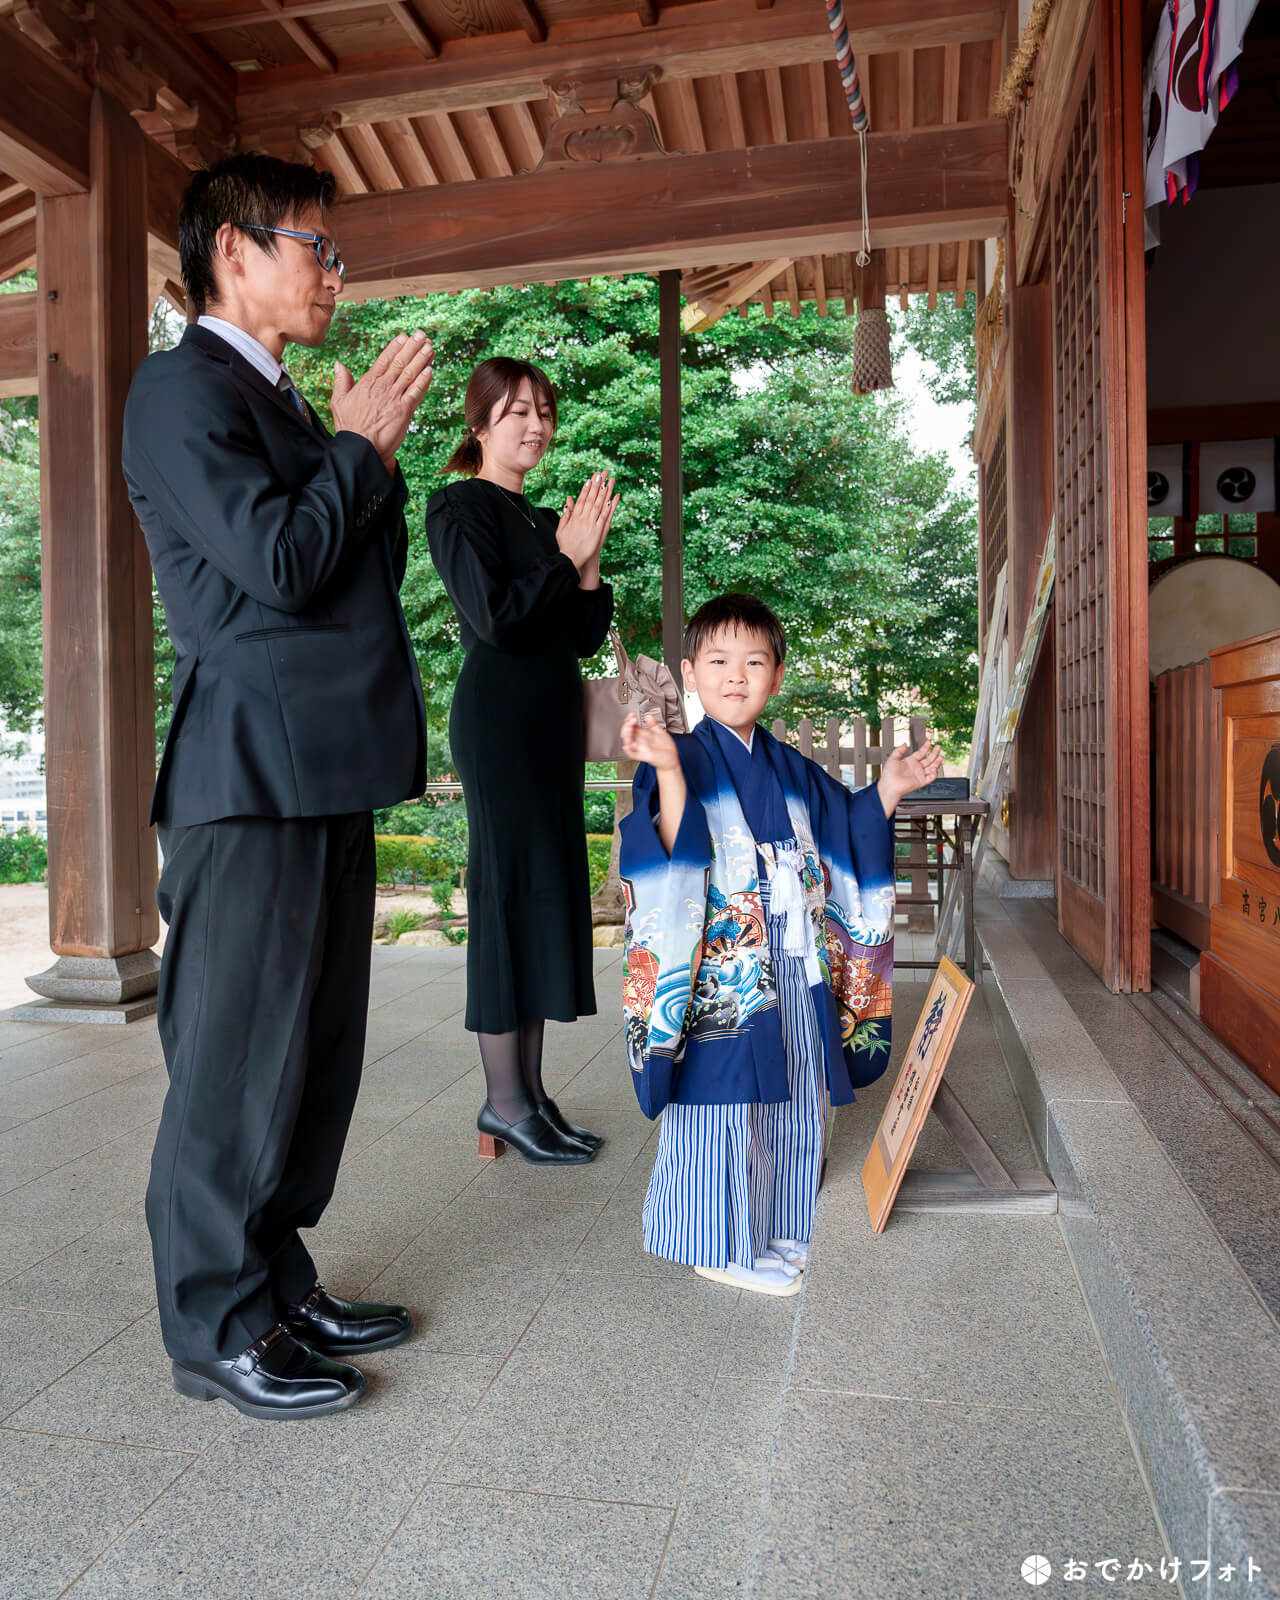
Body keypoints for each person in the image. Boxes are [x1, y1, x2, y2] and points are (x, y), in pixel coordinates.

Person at [122, 153, 434, 1420]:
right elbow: (283, 563)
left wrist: (356, 448)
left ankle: (277, 1280)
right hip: (246, 776)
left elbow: (355, 553)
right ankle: (211, 1324)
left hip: (322, 767)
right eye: (316, 245)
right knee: (236, 1065)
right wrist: (356, 450)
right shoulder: (174, 389)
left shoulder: (290, 401)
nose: (332, 271)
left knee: (314, 1059)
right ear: (232, 253)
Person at [619, 593, 942, 1294]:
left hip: (794, 960)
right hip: (724, 972)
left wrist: (886, 788)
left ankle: (777, 1223)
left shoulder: (788, 767)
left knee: (796, 1092)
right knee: (725, 1101)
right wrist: (670, 771)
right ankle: (714, 1242)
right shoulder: (681, 755)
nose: (736, 675)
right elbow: (669, 848)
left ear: (777, 675)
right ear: (690, 671)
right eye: (719, 660)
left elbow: (846, 823)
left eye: (754, 661)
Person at [426, 359, 618, 1164]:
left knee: (542, 898)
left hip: (550, 722)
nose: (535, 426)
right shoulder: (457, 505)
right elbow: (496, 616)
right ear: (480, 424)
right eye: (516, 413)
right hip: (500, 721)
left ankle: (532, 1096)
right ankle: (503, 1101)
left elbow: (576, 636)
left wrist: (589, 561)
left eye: (544, 411)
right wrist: (562, 556)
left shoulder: (543, 518)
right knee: (506, 897)